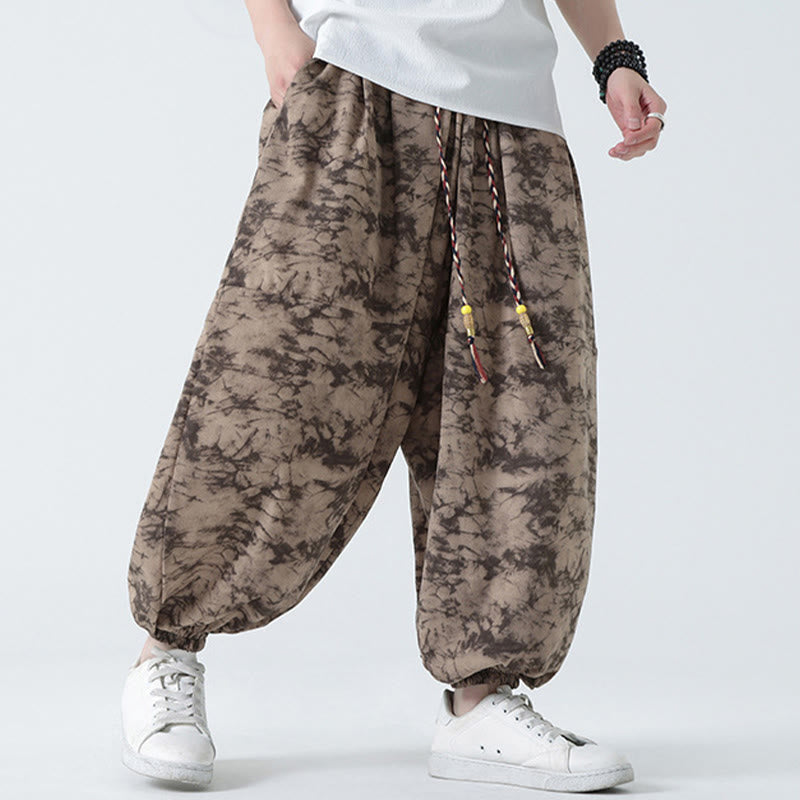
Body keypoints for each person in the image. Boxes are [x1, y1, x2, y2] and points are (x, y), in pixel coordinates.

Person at [120, 0, 667, 792]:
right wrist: (273, 30)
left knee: (520, 422)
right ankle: (165, 652)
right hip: (356, 87)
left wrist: (614, 56)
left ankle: (481, 700)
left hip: (516, 124)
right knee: (271, 391)